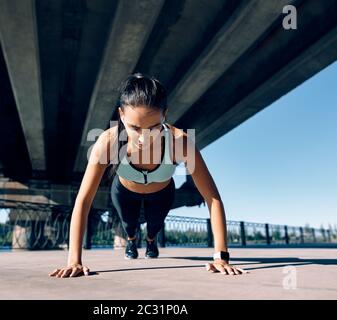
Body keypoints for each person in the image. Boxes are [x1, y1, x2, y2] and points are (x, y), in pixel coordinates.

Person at [49, 73, 248, 278]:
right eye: (135, 128)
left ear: (165, 115)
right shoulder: (108, 141)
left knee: (154, 225)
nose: (143, 138)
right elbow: (83, 200)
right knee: (128, 224)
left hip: (162, 192)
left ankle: (151, 242)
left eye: (153, 128)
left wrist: (221, 257)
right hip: (124, 191)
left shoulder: (180, 141)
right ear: (121, 115)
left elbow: (212, 199)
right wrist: (75, 261)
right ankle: (132, 240)